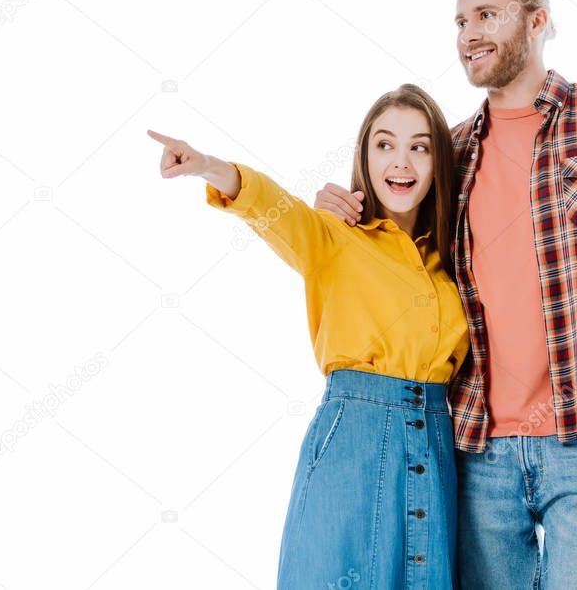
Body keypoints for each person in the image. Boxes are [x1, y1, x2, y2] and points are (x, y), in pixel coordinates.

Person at [313, 0, 577, 589]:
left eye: (486, 14)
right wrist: (343, 210)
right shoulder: (454, 150)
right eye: (461, 21)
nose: (469, 33)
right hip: (477, 450)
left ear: (538, 20)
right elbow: (405, 259)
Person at [148, 83, 468, 588]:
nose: (400, 161)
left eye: (419, 146)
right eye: (384, 144)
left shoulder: (449, 262)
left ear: (437, 163)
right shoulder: (333, 237)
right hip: (354, 444)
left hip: (435, 446)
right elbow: (272, 207)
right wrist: (209, 166)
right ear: (365, 156)